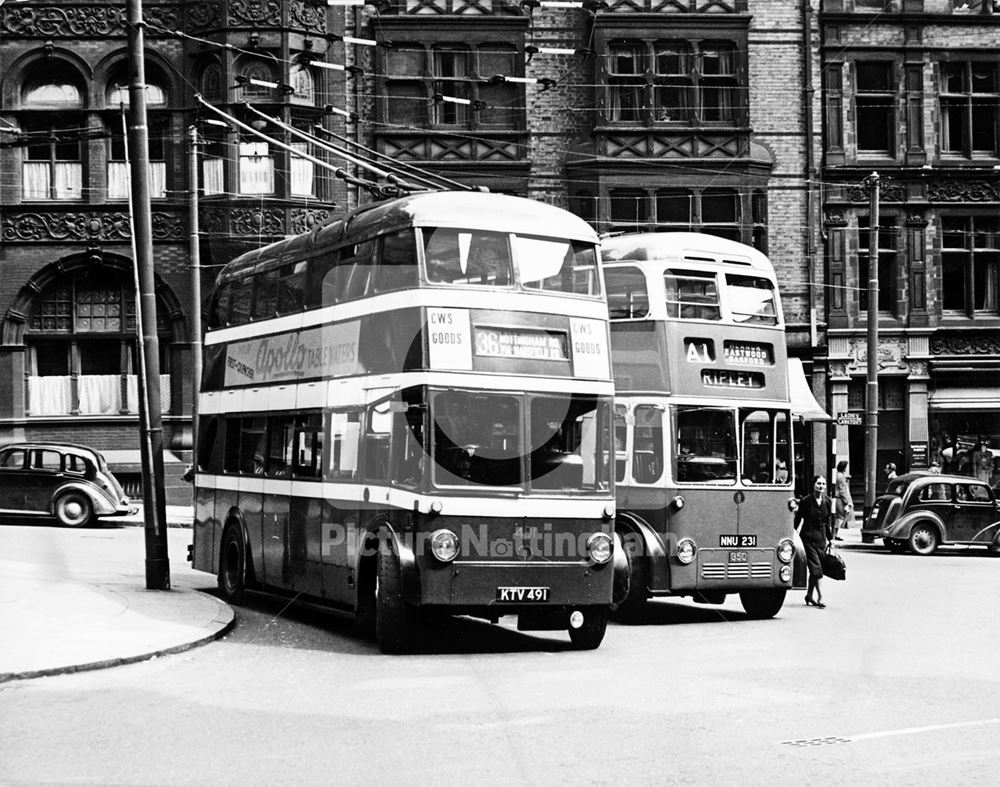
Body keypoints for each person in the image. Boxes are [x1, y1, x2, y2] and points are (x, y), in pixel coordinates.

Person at [791, 475, 834, 609]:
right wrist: (793, 534)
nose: (821, 486)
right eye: (818, 484)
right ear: (813, 485)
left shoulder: (827, 501)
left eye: (823, 484)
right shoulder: (805, 501)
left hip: (821, 540)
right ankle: (821, 597)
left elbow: (827, 522)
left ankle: (809, 595)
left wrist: (830, 539)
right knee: (816, 570)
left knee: (816, 570)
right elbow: (798, 519)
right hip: (808, 539)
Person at [833, 460, 853, 541]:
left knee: (837, 517)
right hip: (839, 499)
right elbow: (843, 490)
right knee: (839, 517)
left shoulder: (837, 475)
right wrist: (847, 501)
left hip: (836, 498)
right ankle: (835, 534)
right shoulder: (841, 477)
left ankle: (834, 534)